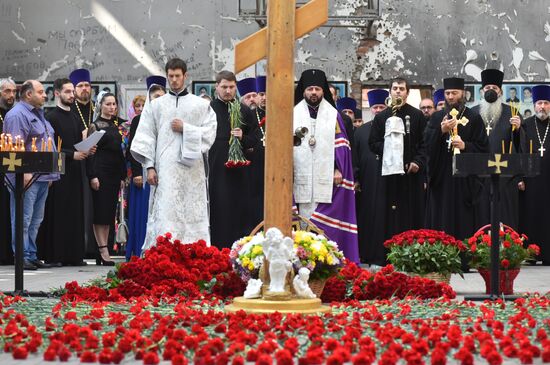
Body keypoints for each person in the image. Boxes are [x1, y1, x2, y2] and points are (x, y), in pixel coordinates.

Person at [131, 58, 217, 248]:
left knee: (191, 212)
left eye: (178, 76)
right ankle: (164, 255)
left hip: (192, 171)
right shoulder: (156, 105)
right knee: (166, 212)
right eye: (171, 76)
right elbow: (146, 137)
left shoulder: (200, 105)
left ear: (185, 76)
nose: (174, 80)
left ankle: (195, 256)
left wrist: (186, 128)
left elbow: (210, 134)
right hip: (165, 170)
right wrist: (150, 167)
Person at [293, 69, 359, 263]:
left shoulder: (333, 115)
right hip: (300, 178)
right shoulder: (293, 113)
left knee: (323, 228)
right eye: (310, 89)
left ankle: (324, 265)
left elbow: (342, 147)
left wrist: (338, 169)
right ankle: (302, 264)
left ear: (323, 91)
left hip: (326, 181)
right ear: (303, 91)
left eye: (317, 89)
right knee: (303, 221)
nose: (314, 92)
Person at [368, 77, 427, 267]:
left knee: (409, 215)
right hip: (387, 177)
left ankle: (410, 257)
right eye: (395, 88)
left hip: (410, 176)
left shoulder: (417, 116)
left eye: (402, 89)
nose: (398, 92)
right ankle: (384, 256)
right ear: (390, 91)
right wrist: (390, 150)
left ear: (407, 92)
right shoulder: (381, 117)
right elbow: (373, 142)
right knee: (386, 215)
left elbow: (424, 145)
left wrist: (417, 161)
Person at [423, 77, 489, 244]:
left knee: (462, 216)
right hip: (442, 177)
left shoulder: (473, 118)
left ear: (463, 94)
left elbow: (483, 148)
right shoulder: (437, 117)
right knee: (441, 215)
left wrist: (465, 145)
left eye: (454, 93)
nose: (450, 97)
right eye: (447, 93)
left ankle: (463, 256)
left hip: (464, 180)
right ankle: (440, 255)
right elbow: (426, 145)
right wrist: (441, 131)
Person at [38, 78, 95, 266]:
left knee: (75, 212)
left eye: (73, 92)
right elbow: (49, 148)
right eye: (68, 92)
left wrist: (88, 149)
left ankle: (74, 255)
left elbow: (79, 143)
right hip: (59, 171)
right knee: (59, 212)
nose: (72, 95)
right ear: (57, 93)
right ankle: (57, 255)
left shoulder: (74, 117)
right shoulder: (51, 117)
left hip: (76, 170)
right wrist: (73, 155)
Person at [3, 80, 58, 270]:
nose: (45, 95)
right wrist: (23, 172)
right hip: (27, 175)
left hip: (42, 176)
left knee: (36, 219)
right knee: (22, 218)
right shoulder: (17, 115)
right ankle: (22, 255)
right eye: (41, 92)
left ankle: (32, 254)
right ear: (28, 94)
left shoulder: (38, 113)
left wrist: (49, 174)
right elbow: (15, 146)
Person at [209, 70, 258, 248]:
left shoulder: (244, 110)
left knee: (239, 210)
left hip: (240, 172)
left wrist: (243, 137)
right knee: (219, 209)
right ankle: (217, 250)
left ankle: (239, 251)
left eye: (231, 87)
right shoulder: (209, 109)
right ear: (217, 87)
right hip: (216, 168)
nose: (228, 91)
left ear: (235, 87)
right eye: (224, 87)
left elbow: (255, 139)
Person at [471, 69, 522, 230]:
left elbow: (520, 143)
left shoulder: (511, 112)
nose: (490, 90)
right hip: (480, 176)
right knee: (481, 216)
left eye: (494, 87)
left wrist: (519, 129)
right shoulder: (473, 113)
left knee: (504, 217)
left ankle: (507, 251)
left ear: (500, 91)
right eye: (487, 88)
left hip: (504, 177)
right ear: (482, 91)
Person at [126, 76, 166, 260]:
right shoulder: (139, 120)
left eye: (161, 95)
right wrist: (136, 173)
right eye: (155, 96)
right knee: (145, 212)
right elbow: (134, 148)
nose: (158, 99)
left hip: (166, 169)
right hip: (144, 170)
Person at [87, 92, 126, 265]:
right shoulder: (95, 125)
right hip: (100, 172)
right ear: (100, 105)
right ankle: (102, 249)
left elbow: (121, 151)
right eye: (108, 104)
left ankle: (105, 247)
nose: (112, 107)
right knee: (100, 212)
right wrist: (92, 175)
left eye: (114, 104)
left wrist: (123, 175)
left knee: (110, 213)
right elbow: (89, 153)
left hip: (114, 173)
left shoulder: (119, 124)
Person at [354, 89, 388, 265]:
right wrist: (356, 178)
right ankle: (367, 254)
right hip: (367, 182)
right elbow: (355, 157)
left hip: (389, 182)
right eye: (375, 107)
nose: (378, 110)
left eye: (381, 106)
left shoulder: (394, 129)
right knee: (368, 217)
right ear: (371, 109)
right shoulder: (360, 131)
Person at [519, 85, 550, 265]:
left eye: (546, 103)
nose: (543, 107)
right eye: (539, 103)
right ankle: (531, 254)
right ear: (534, 104)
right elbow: (519, 151)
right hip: (530, 180)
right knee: (530, 214)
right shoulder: (526, 125)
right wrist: (520, 178)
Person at [69, 68, 96, 258]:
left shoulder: (98, 108)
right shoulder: (69, 110)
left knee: (95, 208)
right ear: (74, 89)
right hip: (76, 164)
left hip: (98, 165)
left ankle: (95, 247)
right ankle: (80, 246)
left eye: (87, 85)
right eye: (80, 86)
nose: (84, 89)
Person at [0, 78, 16, 265]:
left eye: (13, 91)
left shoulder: (15, 113)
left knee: (9, 211)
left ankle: (9, 253)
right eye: (7, 91)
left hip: (11, 168)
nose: (11, 95)